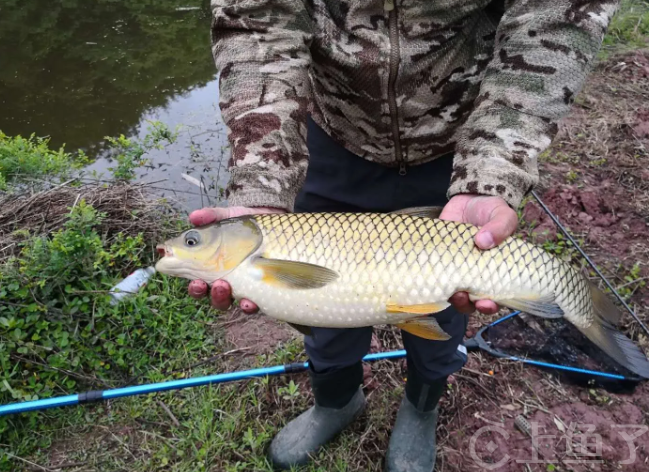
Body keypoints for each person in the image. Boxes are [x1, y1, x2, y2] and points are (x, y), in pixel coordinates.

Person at [189, 1, 618, 470]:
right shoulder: (264, 235)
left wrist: (490, 174)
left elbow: (555, 19)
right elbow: (258, 24)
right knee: (322, 313)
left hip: (454, 147)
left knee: (445, 302)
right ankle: (336, 401)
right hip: (336, 138)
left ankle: (421, 407)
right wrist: (260, 181)